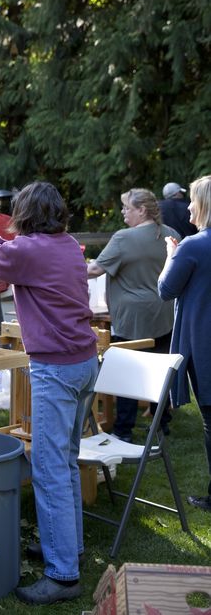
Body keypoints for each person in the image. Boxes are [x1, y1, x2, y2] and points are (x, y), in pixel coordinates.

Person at [0, 181, 98, 606]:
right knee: (66, 461)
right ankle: (69, 546)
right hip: (84, 363)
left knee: (49, 467)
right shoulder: (65, 243)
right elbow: (5, 254)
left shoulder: (30, 250)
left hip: (56, 368)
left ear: (26, 212)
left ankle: (63, 575)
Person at [87, 188, 180, 441]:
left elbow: (94, 269)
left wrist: (64, 268)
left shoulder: (123, 238)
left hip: (132, 317)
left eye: (127, 207)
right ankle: (162, 423)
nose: (123, 211)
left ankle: (123, 430)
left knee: (126, 373)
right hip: (164, 312)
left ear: (142, 210)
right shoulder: (171, 234)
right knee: (160, 371)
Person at [158, 175, 211, 512]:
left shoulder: (193, 245)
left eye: (193, 199)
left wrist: (170, 255)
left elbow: (165, 289)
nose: (188, 206)